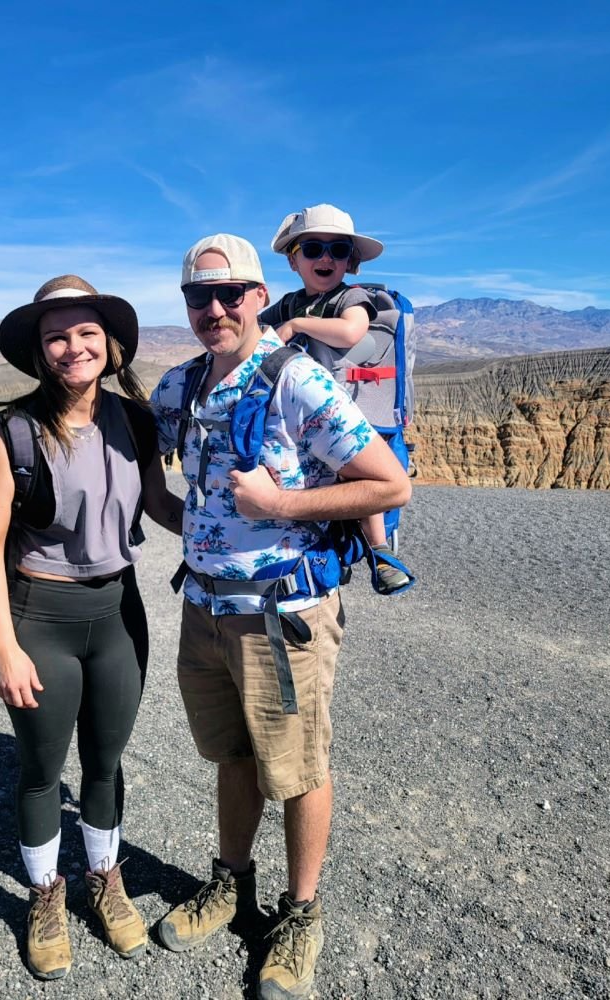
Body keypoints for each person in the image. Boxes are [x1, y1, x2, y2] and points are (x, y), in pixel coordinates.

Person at [150, 236, 411, 998]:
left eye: (231, 293)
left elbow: (389, 485)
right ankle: (230, 883)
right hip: (204, 608)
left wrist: (283, 505)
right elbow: (139, 450)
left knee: (297, 770)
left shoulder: (298, 382)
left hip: (283, 613)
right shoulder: (181, 385)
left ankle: (300, 914)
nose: (216, 309)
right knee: (233, 754)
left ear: (261, 297)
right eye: (200, 296)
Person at [0, 275, 182, 980]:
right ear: (39, 351)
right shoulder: (13, 439)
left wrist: (233, 528)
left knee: (107, 762)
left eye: (86, 332)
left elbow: (156, 502)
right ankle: (44, 895)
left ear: (110, 343)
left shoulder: (135, 421)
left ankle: (105, 881)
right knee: (40, 768)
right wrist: (4, 645)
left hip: (119, 614)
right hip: (43, 618)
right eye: (57, 335)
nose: (73, 346)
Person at [260, 203, 410, 593]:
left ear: (351, 262)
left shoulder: (351, 298)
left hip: (351, 414)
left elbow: (350, 333)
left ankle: (380, 553)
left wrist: (293, 326)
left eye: (337, 250)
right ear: (294, 261)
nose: (325, 258)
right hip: (306, 416)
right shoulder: (291, 301)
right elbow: (258, 329)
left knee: (362, 478)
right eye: (312, 249)